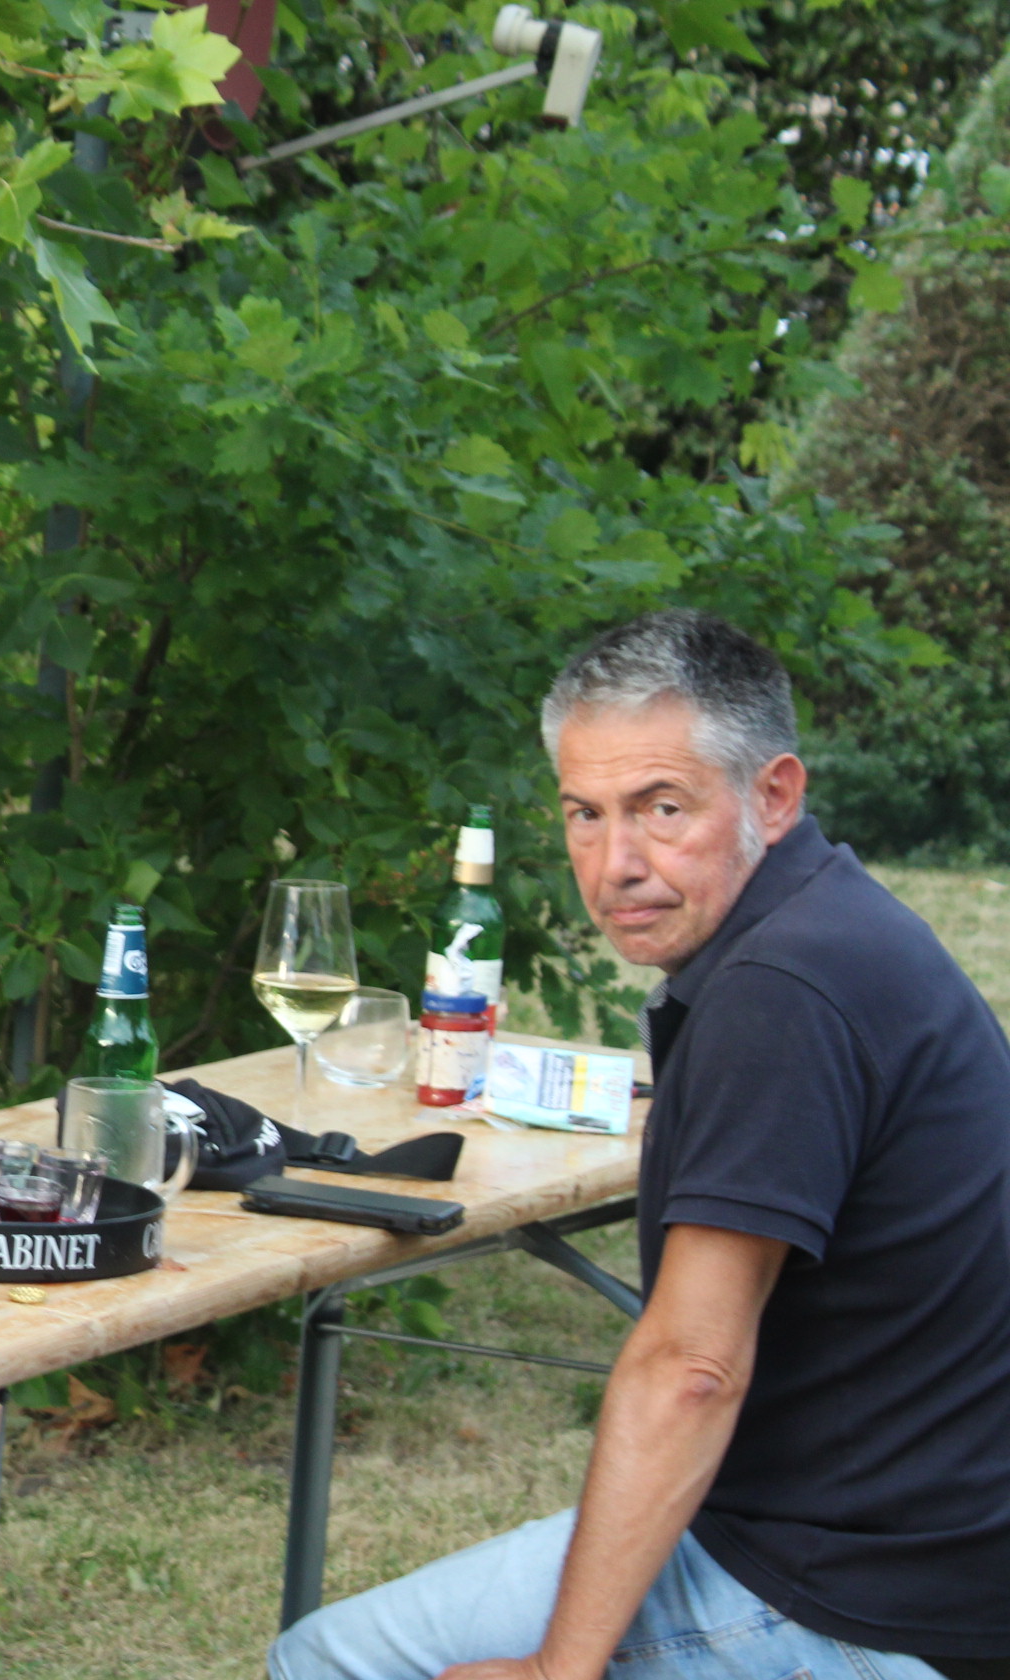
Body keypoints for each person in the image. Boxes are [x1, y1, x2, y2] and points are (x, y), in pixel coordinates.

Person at [272, 609, 1010, 1680]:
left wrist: (558, 1669)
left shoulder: (780, 990)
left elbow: (691, 1370)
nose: (616, 863)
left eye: (662, 807)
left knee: (328, 1659)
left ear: (774, 794)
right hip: (919, 1544)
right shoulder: (833, 923)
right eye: (585, 812)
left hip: (859, 1595)